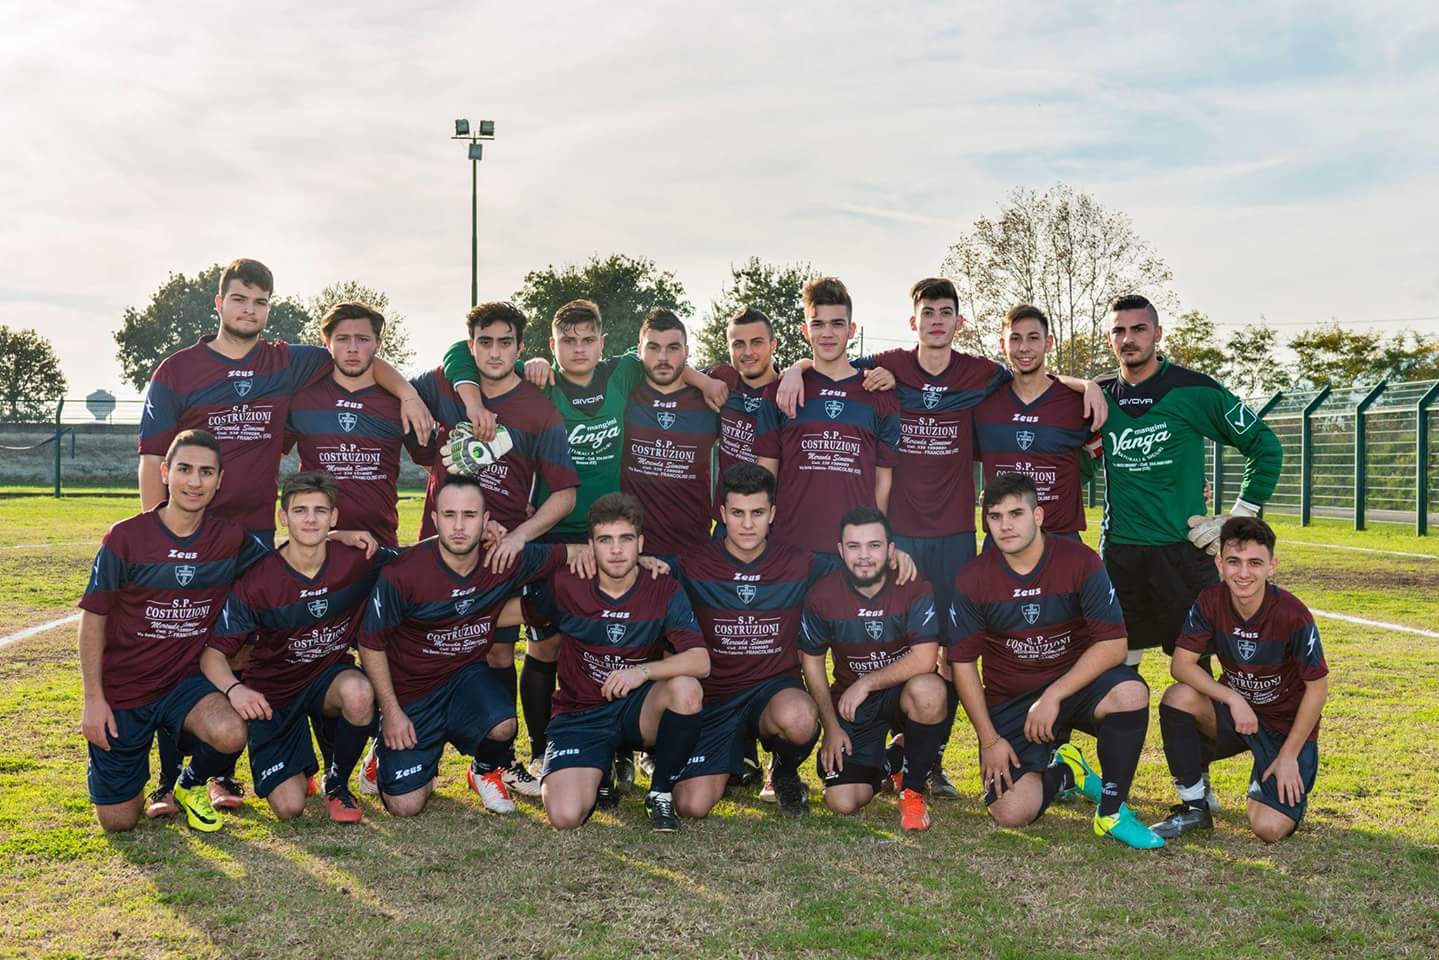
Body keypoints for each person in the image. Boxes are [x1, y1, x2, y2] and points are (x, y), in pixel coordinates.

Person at [137, 259, 422, 810]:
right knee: (182, 646)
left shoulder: (284, 360)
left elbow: (359, 352)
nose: (249, 311)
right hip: (190, 533)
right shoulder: (177, 369)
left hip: (255, 536)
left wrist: (407, 392)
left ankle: (220, 773)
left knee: (240, 650)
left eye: (260, 302)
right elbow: (153, 457)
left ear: (270, 308)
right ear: (218, 304)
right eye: (240, 299)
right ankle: (169, 780)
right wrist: (162, 533)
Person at [441, 299, 725, 784]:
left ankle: (634, 744)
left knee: (637, 638)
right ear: (551, 347)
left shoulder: (622, 374)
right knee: (548, 643)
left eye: (587, 340)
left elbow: (669, 356)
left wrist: (703, 380)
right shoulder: (540, 382)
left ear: (602, 344)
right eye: (566, 341)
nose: (577, 349)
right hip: (557, 530)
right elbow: (457, 353)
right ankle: (540, 747)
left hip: (612, 530)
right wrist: (474, 398)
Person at [411, 301, 580, 796]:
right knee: (430, 651)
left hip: (500, 557)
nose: (495, 352)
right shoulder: (444, 387)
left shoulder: (537, 407)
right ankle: (399, 745)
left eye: (506, 342)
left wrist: (519, 535)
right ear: (471, 347)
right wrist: (419, 399)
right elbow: (403, 376)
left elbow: (565, 492)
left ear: (521, 347)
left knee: (500, 655)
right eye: (485, 342)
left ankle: (498, 759)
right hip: (439, 552)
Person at [948, 474, 1164, 849]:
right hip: (1012, 701)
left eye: (1016, 513)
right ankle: (1066, 773)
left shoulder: (1079, 562)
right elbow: (963, 664)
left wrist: (1053, 696)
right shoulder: (973, 578)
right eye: (995, 516)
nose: (1006, 525)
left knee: (1130, 691)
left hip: (1074, 689)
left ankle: (1112, 811)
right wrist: (989, 740)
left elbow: (1114, 645)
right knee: (1010, 812)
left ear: (1039, 516)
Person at [353, 475, 581, 817]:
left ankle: (483, 769)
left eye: (470, 516)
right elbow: (370, 645)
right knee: (406, 805)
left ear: (487, 521)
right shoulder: (403, 571)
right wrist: (393, 713)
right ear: (434, 518)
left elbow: (577, 552)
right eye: (449, 515)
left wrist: (640, 561)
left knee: (504, 723)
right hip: (412, 694)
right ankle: (390, 755)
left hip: (464, 680)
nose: (459, 526)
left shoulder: (501, 558)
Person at [78, 430, 267, 832]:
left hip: (185, 683)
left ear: (219, 481)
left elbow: (284, 568)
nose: (194, 482)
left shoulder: (229, 538)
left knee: (232, 731)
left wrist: (332, 538)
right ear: (165, 472)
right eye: (184, 469)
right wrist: (93, 700)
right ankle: (130, 771)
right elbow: (93, 617)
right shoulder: (126, 537)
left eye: (205, 472)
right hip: (125, 690)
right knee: (118, 821)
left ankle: (188, 783)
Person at [1096, 294, 1284, 666]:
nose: (1128, 339)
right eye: (1119, 331)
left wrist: (1240, 515)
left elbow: (1266, 447)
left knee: (1193, 671)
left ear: (1158, 334)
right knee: (1120, 670)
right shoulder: (1097, 395)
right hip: (1121, 553)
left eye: (1139, 329)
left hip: (1182, 553)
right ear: (1108, 338)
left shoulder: (1195, 390)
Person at [203, 471, 393, 823]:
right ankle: (300, 764)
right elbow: (212, 656)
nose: (310, 519)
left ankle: (336, 782)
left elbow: (423, 561)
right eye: (300, 510)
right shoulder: (259, 580)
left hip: (326, 680)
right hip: (274, 695)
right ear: (283, 517)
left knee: (359, 691)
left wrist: (485, 539)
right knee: (289, 808)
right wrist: (236, 690)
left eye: (320, 511)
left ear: (333, 517)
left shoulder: (357, 560)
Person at [527, 494, 710, 832]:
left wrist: (641, 672)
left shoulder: (663, 587)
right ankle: (602, 767)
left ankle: (660, 792)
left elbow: (700, 661)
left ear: (640, 543)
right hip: (581, 714)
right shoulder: (566, 583)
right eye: (605, 540)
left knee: (686, 689)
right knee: (565, 817)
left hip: (637, 710)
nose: (616, 550)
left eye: (625, 539)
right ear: (590, 546)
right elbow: (521, 612)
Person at [1151, 516, 1328, 843]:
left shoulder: (1293, 615)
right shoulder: (1210, 600)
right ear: (1220, 563)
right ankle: (1194, 809)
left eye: (1254, 563)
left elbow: (1318, 690)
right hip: (1238, 717)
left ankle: (1267, 776)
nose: (1243, 573)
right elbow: (1181, 665)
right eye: (1234, 562)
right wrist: (1233, 698)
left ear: (1272, 567)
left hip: (1284, 730)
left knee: (1269, 829)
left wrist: (1288, 754)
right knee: (1179, 697)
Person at [669, 463, 821, 819]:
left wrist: (895, 556)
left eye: (757, 513)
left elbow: (857, 569)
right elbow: (648, 584)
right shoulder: (692, 565)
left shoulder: (800, 564)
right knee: (691, 806)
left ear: (773, 514)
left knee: (799, 717)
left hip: (773, 692)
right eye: (737, 513)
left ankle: (783, 770)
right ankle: (734, 753)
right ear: (722, 514)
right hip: (715, 699)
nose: (748, 524)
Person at [799, 507, 947, 832]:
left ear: (891, 550)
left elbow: (925, 658)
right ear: (840, 550)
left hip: (899, 692)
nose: (864, 556)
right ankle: (895, 758)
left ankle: (913, 791)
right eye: (854, 546)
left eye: (874, 546)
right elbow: (811, 663)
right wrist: (831, 728)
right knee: (843, 801)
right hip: (854, 707)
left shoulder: (913, 585)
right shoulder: (822, 595)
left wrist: (867, 681)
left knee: (930, 691)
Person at [756, 277, 899, 573]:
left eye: (837, 323)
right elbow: (764, 475)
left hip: (852, 554)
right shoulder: (780, 393)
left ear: (852, 329)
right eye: (818, 324)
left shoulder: (879, 395)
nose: (827, 333)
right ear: (805, 331)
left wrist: (876, 542)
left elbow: (882, 482)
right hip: (789, 548)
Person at [286, 302, 431, 548]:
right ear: (327, 343)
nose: (352, 349)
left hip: (380, 547)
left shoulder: (401, 403)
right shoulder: (301, 399)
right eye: (342, 339)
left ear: (378, 343)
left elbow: (433, 466)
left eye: (362, 339)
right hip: (317, 548)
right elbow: (264, 455)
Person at [974, 304, 1098, 539]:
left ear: (1048, 343)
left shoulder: (1077, 403)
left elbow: (1096, 458)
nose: (1024, 348)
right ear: (1003, 345)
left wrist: (1068, 483)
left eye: (1033, 338)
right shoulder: (983, 405)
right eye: (1015, 339)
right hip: (1002, 541)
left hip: (1060, 540)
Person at [620, 308, 721, 562]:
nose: (663, 357)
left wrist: (798, 368)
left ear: (686, 351)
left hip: (694, 552)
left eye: (673, 348)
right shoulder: (623, 396)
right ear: (638, 350)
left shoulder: (709, 402)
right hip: (633, 553)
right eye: (653, 347)